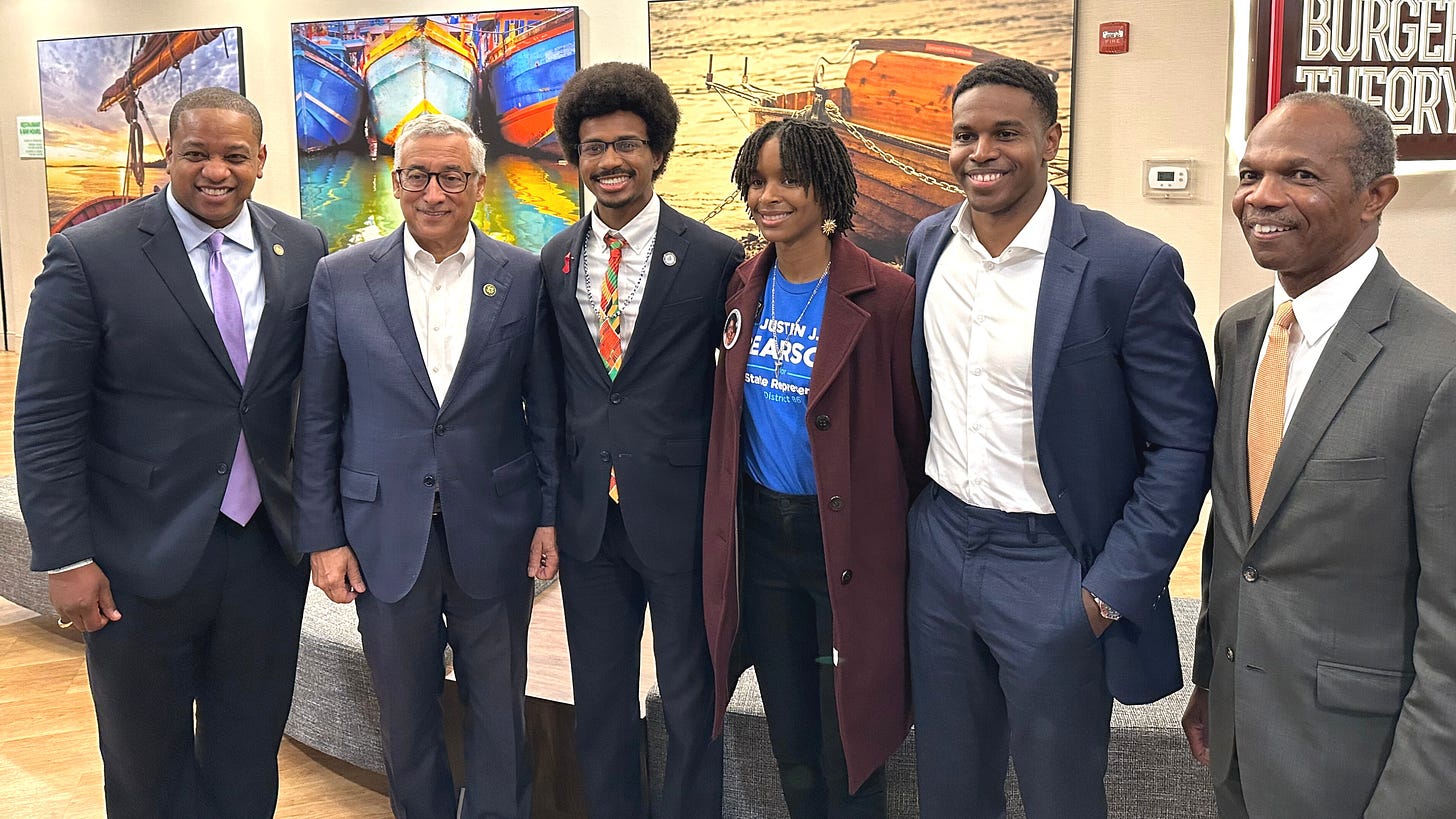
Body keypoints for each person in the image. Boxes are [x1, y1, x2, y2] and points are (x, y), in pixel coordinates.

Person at [901, 59, 1216, 818]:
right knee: (947, 784)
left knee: (1059, 793)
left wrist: (1108, 590)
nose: (982, 152)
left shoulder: (1128, 266)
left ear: (1051, 139)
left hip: (1054, 562)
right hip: (940, 547)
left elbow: (1182, 444)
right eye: (965, 135)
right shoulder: (926, 245)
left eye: (1006, 133)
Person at [13, 86, 328, 818]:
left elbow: (308, 397)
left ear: (260, 163)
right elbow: (46, 418)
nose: (215, 171)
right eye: (197, 154)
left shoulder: (302, 246)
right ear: (169, 157)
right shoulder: (90, 255)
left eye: (234, 156)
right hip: (134, 556)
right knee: (144, 759)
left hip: (264, 553)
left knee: (249, 750)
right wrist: (64, 555)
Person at [1181, 92, 1456, 818]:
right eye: (1249, 173)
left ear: (1376, 195)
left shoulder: (1440, 363)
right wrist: (1212, 677)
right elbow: (1241, 535)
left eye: (1299, 175)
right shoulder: (1239, 332)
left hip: (1361, 763)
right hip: (1240, 742)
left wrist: (1417, 799)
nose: (1260, 198)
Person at [293, 113, 560, 818]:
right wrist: (323, 537)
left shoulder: (524, 274)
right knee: (406, 717)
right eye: (417, 175)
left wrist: (549, 516)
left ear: (477, 185)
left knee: (499, 711)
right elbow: (317, 419)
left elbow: (547, 411)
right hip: (382, 536)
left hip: (496, 530)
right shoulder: (341, 277)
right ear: (395, 179)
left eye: (451, 176)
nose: (433, 193)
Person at [700, 117, 928, 817]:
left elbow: (913, 436)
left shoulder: (888, 296)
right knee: (791, 730)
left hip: (849, 543)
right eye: (757, 181)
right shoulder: (743, 285)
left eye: (787, 179)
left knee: (853, 734)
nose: (768, 195)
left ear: (826, 188)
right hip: (766, 539)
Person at [537, 61, 744, 818]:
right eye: (594, 147)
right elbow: (553, 394)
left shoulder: (716, 257)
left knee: (692, 700)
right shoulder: (553, 261)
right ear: (574, 158)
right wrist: (548, 510)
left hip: (682, 515)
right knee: (599, 700)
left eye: (627, 144)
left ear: (658, 151)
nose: (610, 161)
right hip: (590, 519)